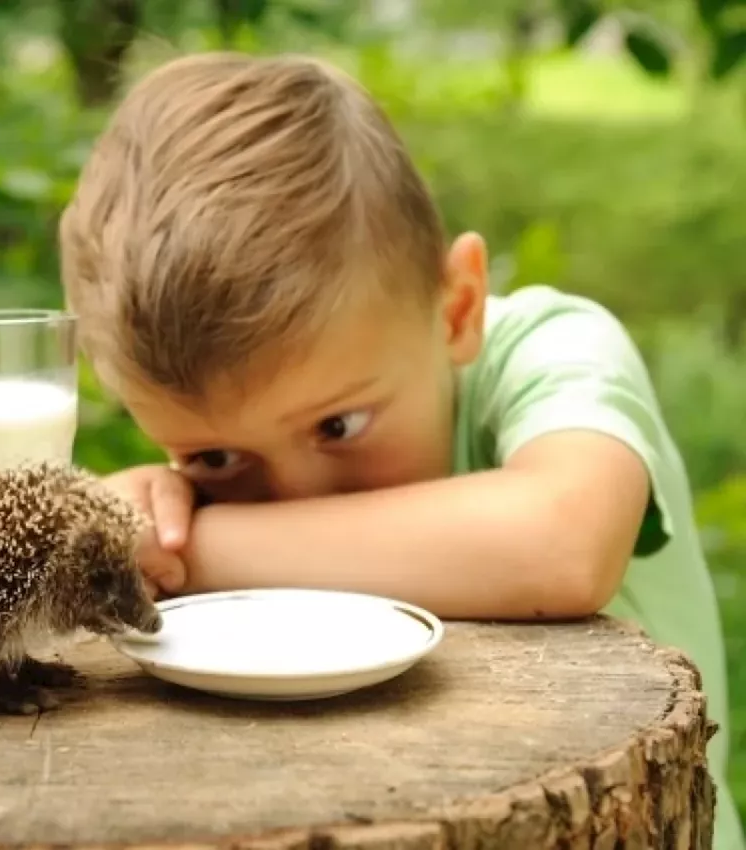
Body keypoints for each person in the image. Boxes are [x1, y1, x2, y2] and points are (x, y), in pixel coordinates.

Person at [57, 51, 743, 848]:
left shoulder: (552, 347)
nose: (299, 498)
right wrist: (146, 523)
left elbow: (562, 542)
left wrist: (195, 550)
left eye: (338, 427)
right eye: (212, 458)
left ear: (457, 308)